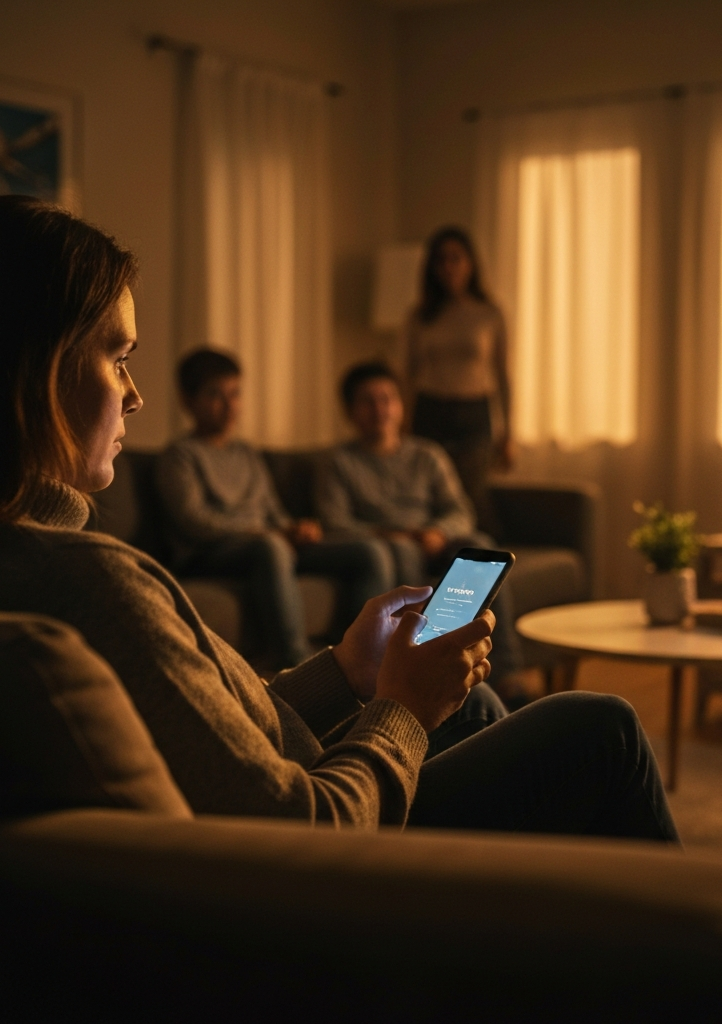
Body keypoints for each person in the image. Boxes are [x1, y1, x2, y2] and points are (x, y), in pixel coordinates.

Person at [0, 195, 678, 842]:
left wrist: (348, 671)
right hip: (340, 861)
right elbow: (304, 831)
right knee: (603, 727)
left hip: (306, 769)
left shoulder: (56, 567)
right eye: (119, 359)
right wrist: (403, 710)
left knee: (472, 705)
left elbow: (222, 727)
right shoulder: (99, 587)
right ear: (40, 370)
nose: (136, 396)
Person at [155, 349, 390, 670]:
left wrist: (294, 528)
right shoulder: (179, 456)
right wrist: (268, 533)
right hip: (208, 553)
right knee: (272, 546)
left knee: (369, 551)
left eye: (235, 394)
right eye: (215, 395)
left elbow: (272, 511)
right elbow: (195, 522)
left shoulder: (246, 454)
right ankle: (294, 659)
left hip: (266, 542)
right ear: (187, 400)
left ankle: (362, 656)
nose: (228, 405)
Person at [314, 360, 529, 704]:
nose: (379, 409)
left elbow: (460, 510)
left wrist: (439, 533)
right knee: (398, 552)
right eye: (368, 401)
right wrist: (389, 535)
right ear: (350, 410)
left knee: (481, 545)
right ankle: (417, 661)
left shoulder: (427, 454)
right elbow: (335, 522)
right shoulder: (338, 462)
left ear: (400, 405)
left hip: (433, 541)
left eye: (387, 398)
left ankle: (507, 676)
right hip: (387, 544)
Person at [405, 226, 511, 535]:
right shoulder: (421, 315)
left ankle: (485, 567)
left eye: (456, 258)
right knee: (431, 495)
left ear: (470, 263)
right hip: (430, 409)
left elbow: (503, 374)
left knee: (473, 496)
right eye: (441, 261)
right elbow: (408, 372)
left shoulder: (489, 313)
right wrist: (403, 421)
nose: (449, 267)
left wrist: (508, 430)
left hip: (474, 412)